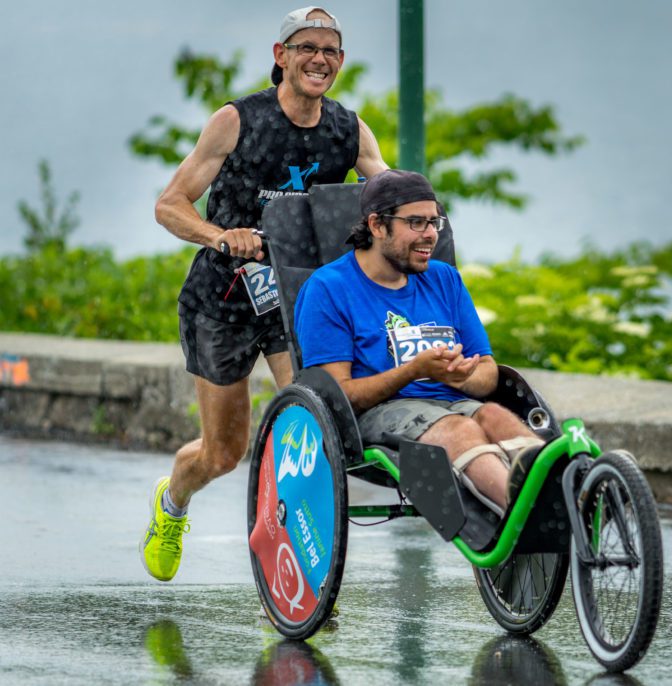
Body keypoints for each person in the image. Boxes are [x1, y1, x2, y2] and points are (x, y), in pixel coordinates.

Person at [141, 6, 389, 582]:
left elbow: (386, 186)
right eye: (307, 48)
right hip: (222, 300)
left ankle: (298, 560)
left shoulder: (348, 130)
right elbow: (169, 205)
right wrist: (219, 235)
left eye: (330, 51)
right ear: (281, 56)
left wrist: (416, 216)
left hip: (294, 299)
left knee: (317, 419)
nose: (319, 60)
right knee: (224, 453)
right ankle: (172, 501)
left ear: (341, 61)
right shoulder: (237, 120)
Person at [294, 170, 543, 512]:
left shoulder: (444, 279)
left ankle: (560, 496)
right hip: (378, 414)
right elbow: (338, 396)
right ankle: (525, 515)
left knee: (495, 416)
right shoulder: (329, 288)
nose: (430, 235)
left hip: (453, 402)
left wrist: (460, 376)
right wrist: (413, 371)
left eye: (434, 222)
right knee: (460, 430)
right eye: (416, 223)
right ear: (377, 225)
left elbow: (488, 373)